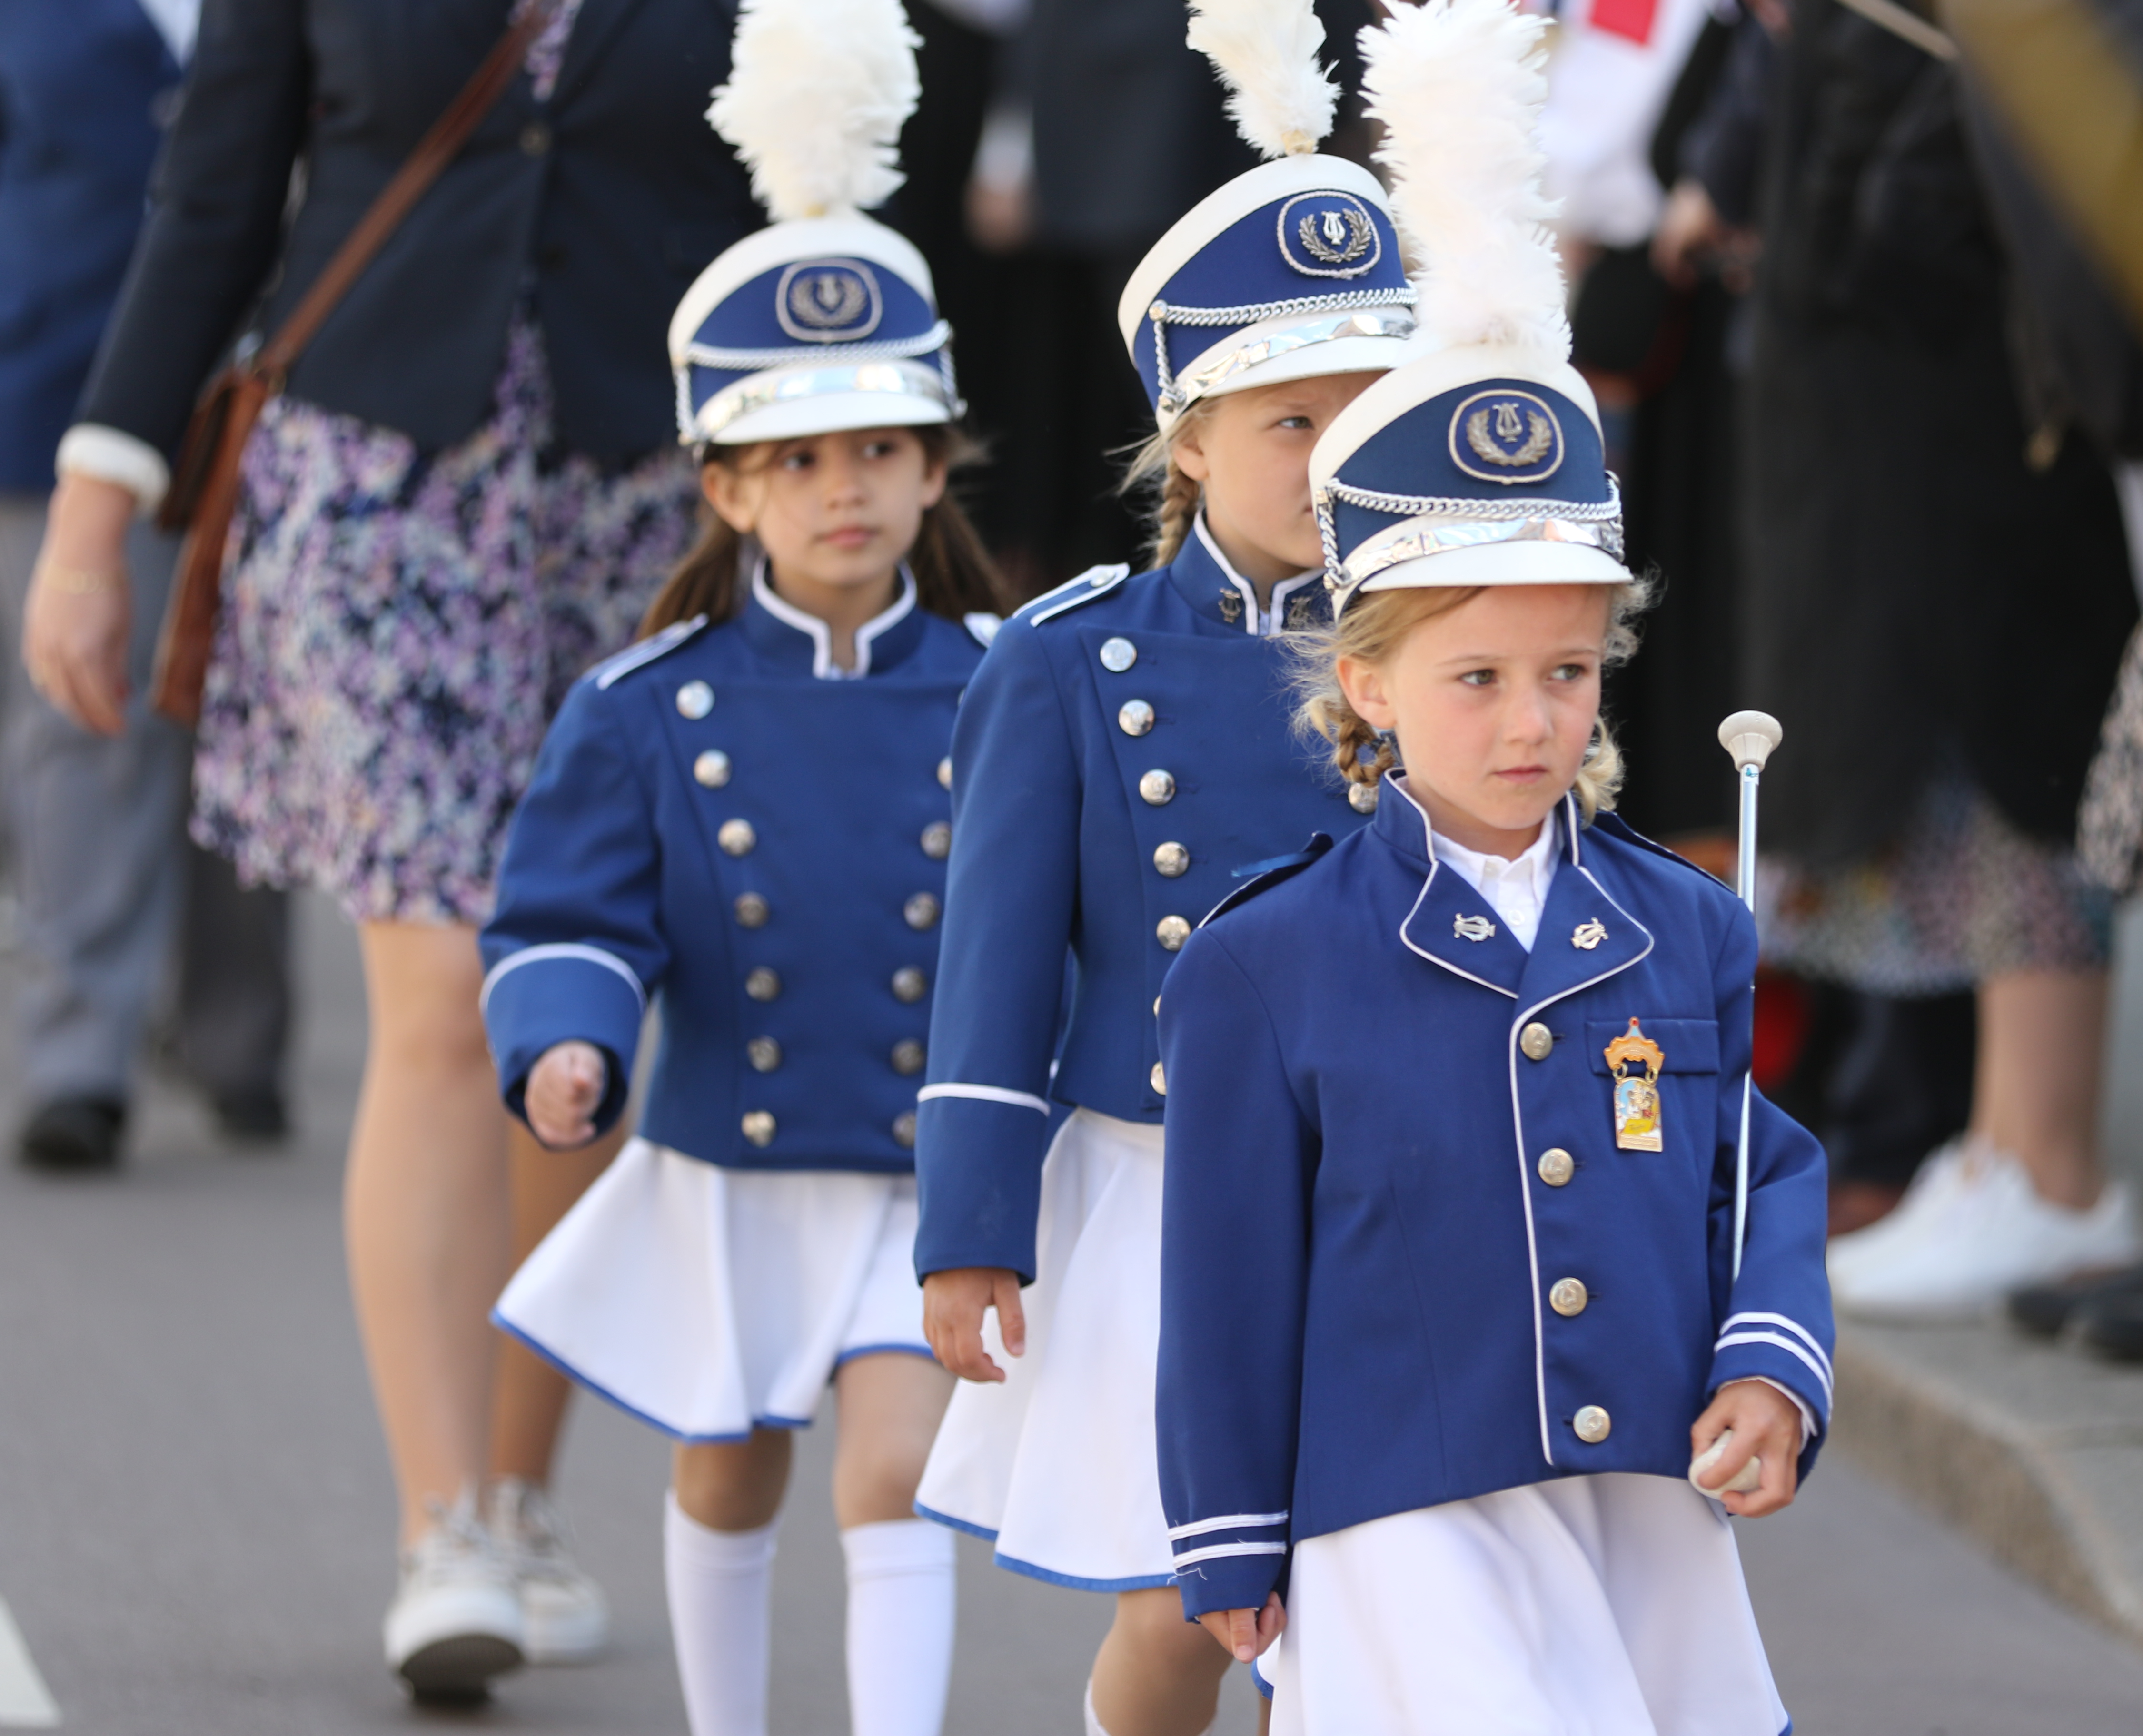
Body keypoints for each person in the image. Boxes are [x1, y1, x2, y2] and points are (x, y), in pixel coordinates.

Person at [20, 0, 766, 1697]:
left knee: (588, 1000)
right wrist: (93, 503)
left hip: (651, 502)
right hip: (372, 489)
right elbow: (211, 196)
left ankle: (516, 1483)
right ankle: (442, 1526)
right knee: (442, 995)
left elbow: (819, 199)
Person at [1153, 9, 1833, 1727]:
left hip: (1642, 1508)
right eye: (1476, 675)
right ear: (1364, 679)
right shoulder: (1266, 959)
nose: (1532, 718)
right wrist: (1231, 1527)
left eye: (1568, 669)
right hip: (1399, 1505)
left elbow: (1755, 1175)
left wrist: (1770, 1361)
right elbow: (1228, 1271)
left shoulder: (1682, 923)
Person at [481, 14, 1001, 1730]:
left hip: (931, 1157)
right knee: (729, 1463)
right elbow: (569, 911)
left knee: (898, 1457)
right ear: (725, 482)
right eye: (797, 457)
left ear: (935, 465)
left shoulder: (1018, 681)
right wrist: (568, 1037)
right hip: (729, 1158)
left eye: (875, 450)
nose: (843, 488)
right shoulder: (647, 703)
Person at [907, 6, 1414, 1731]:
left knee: (1361, 1580)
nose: (1337, 461)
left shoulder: (1453, 648)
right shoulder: (1063, 657)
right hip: (1157, 1178)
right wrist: (972, 1227)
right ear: (1186, 436)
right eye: (1293, 421)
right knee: (1189, 1601)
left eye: (1372, 415)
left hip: (1400, 1168)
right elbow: (995, 966)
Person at [1745, 0, 2143, 1318]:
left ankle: (2055, 1169)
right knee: (1983, 787)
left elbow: (1927, 200)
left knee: (2024, 780)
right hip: (1925, 424)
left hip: (1996, 412)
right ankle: (2003, 1150)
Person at [3, 0, 293, 1173]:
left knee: (258, 712)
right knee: (88, 719)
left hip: (280, 407)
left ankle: (240, 1040)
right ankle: (81, 1059)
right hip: (63, 393)